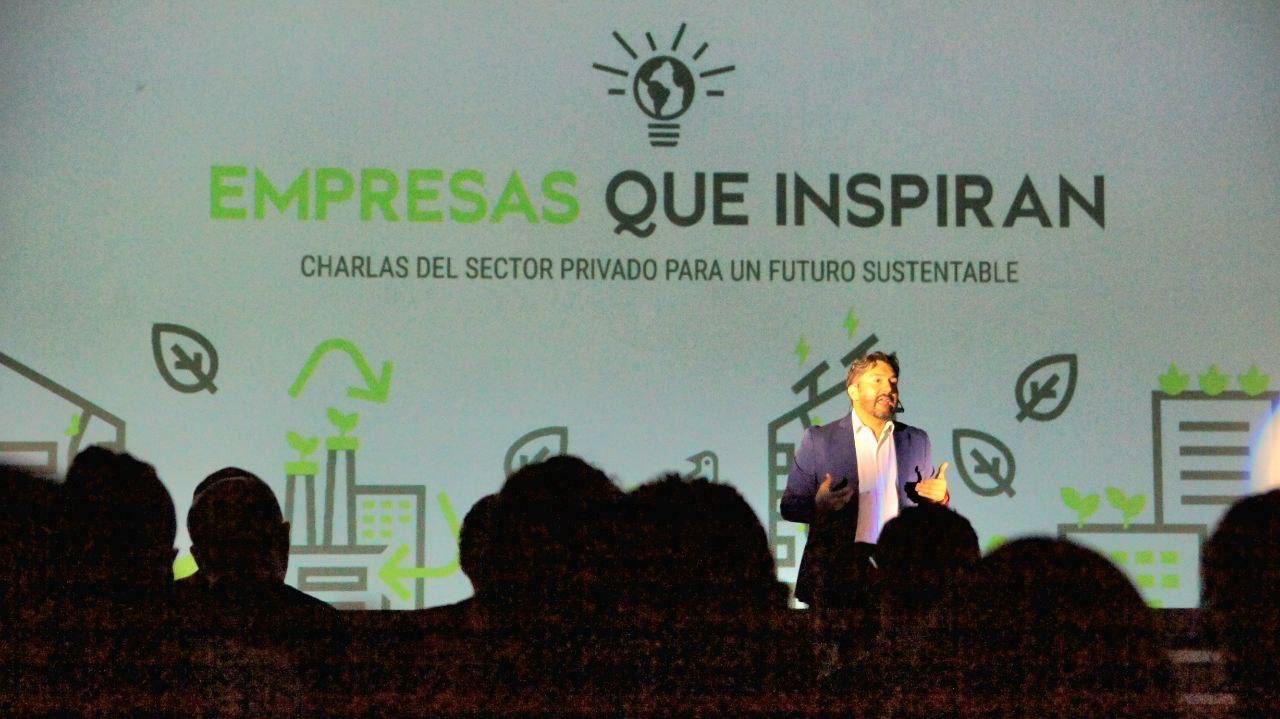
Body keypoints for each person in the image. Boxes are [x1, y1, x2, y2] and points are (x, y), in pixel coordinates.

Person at [781, 351, 949, 606]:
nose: (888, 388)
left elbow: (926, 513)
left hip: (900, 578)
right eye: (877, 380)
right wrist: (819, 506)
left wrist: (939, 497)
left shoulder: (916, 440)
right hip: (836, 580)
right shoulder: (819, 440)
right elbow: (789, 506)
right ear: (854, 391)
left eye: (893, 382)